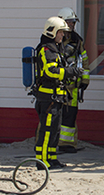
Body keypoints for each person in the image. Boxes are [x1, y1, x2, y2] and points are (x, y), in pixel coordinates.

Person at [33, 16, 83, 169]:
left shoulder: (56, 49)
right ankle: (42, 161)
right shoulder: (46, 50)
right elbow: (50, 71)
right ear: (52, 32)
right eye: (60, 32)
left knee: (55, 130)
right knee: (47, 130)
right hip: (48, 97)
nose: (63, 35)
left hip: (57, 97)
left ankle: (52, 158)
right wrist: (69, 72)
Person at [56, 7, 90, 153]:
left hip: (72, 86)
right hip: (56, 84)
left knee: (70, 115)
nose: (71, 25)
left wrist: (85, 80)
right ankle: (48, 142)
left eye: (73, 22)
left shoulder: (77, 40)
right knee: (53, 114)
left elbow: (84, 60)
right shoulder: (54, 39)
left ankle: (67, 144)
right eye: (69, 22)